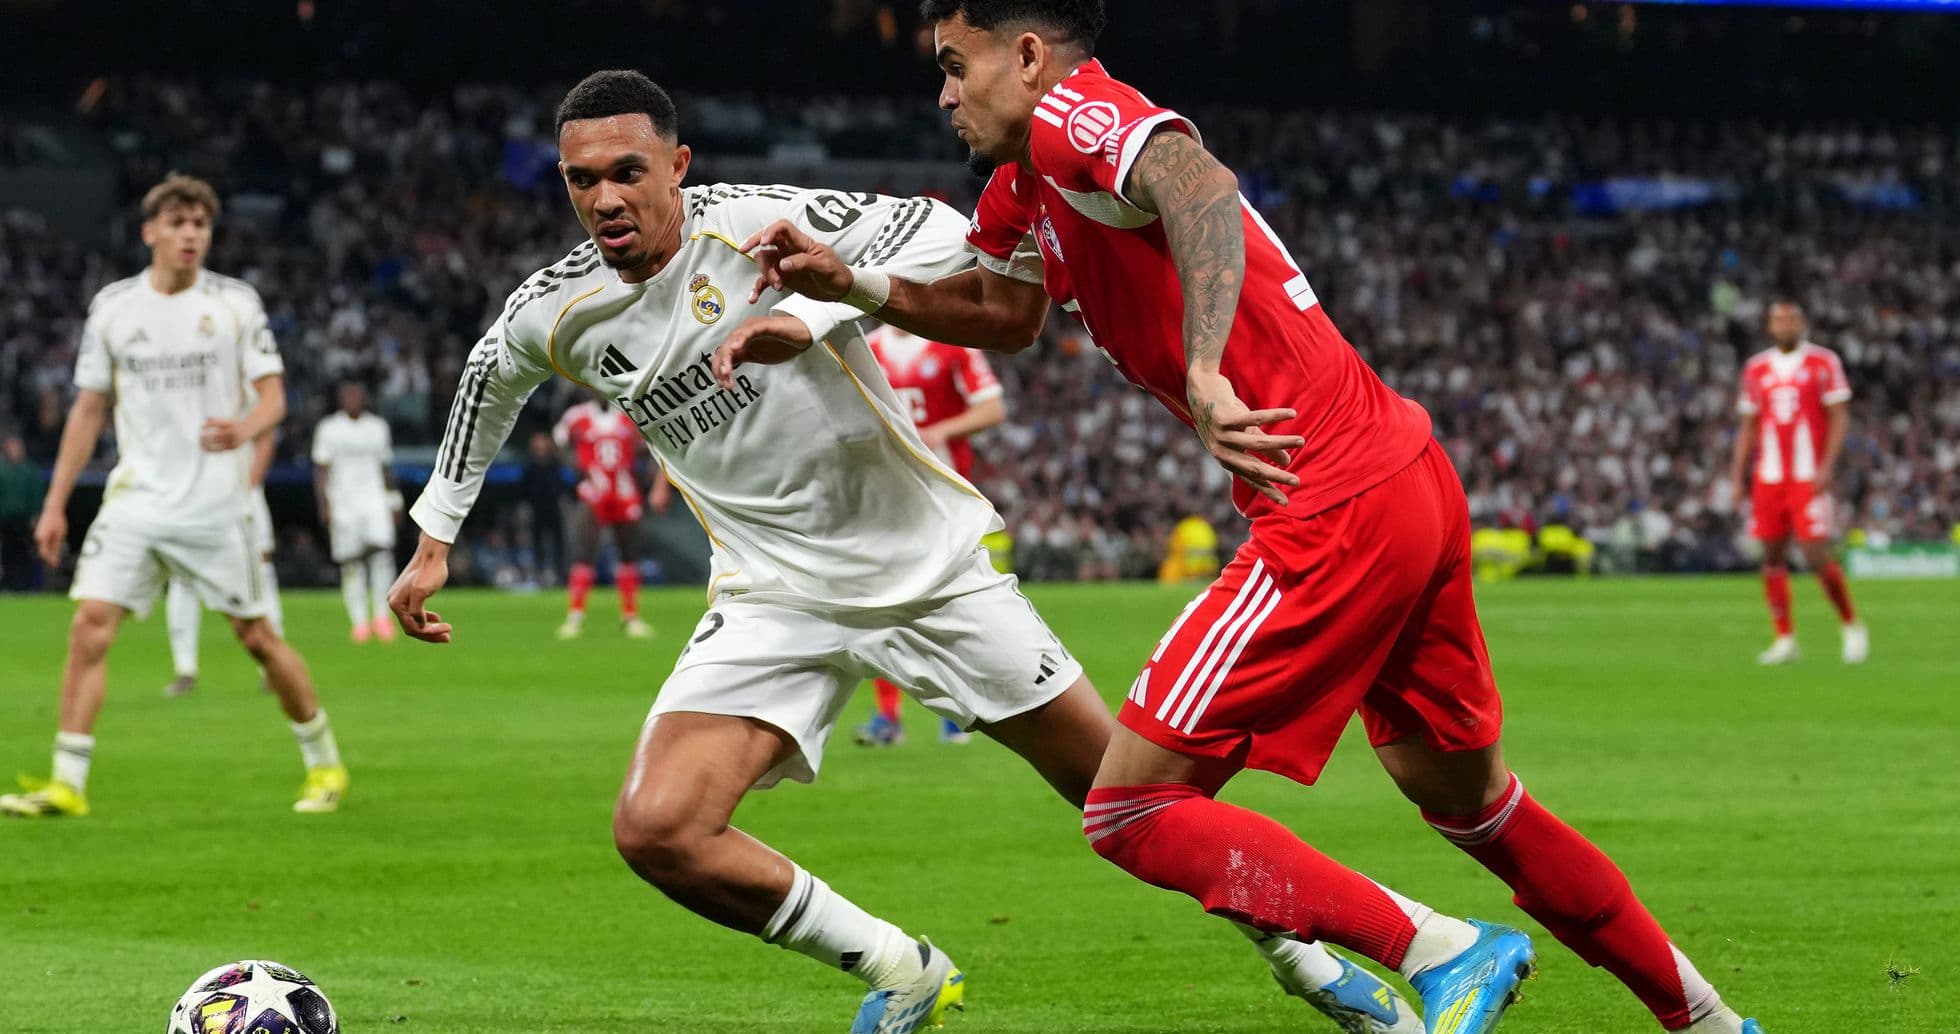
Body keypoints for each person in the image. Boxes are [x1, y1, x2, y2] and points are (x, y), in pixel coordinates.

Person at [716, 4, 1764, 1032]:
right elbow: (1003, 315)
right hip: (1400, 471)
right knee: (1473, 801)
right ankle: (1712, 1021)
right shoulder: (1018, 188)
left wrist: (1208, 366)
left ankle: (1443, 947)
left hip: (1328, 495)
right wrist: (847, 285)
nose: (942, 92)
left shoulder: (1078, 112)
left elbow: (1195, 181)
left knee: (1129, 807)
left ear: (1027, 55)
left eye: (955, 63)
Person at [390, 70, 1427, 1034]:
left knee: (1131, 800)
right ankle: (902, 967)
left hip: (929, 575)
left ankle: (1302, 955)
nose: (606, 197)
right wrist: (433, 538)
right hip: (771, 594)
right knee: (659, 828)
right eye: (582, 179)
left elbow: (943, 232)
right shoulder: (555, 310)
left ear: (677, 164)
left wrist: (808, 307)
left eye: (627, 171)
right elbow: (488, 380)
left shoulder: (757, 223)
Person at [0, 173, 347, 818]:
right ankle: (66, 782)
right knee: (89, 627)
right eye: (179, 223)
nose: (191, 235)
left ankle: (323, 762)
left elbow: (274, 397)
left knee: (257, 638)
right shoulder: (113, 308)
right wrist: (54, 503)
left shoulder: (236, 305)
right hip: (136, 500)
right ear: (150, 232)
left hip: (216, 504)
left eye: (201, 225)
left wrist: (243, 428)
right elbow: (87, 410)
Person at [857, 325, 1008, 747]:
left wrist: (943, 431)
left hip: (944, 495)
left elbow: (992, 408)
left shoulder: (952, 344)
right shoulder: (865, 347)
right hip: (886, 493)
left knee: (951, 603)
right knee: (879, 603)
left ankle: (957, 714)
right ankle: (888, 719)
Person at [1728, 300, 1866, 666]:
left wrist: (1826, 466)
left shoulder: (1823, 362)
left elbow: (1839, 417)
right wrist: (1737, 475)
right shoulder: (1756, 368)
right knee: (1771, 556)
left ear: (1802, 323)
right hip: (1769, 476)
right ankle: (1785, 638)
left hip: (1806, 475)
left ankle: (1851, 625)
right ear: (1770, 326)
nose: (1784, 324)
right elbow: (1749, 425)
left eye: (1790, 319)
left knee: (1814, 554)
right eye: (1777, 319)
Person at [162, 424, 286, 696]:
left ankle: (273, 668)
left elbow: (266, 431)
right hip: (189, 499)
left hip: (240, 495)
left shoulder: (242, 387)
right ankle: (185, 669)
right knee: (181, 579)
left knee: (260, 573)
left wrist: (250, 485)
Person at [552, 390, 659, 639]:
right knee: (585, 551)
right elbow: (558, 441)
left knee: (628, 552)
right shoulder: (577, 416)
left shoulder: (629, 415)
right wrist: (576, 464)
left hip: (623, 489)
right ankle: (575, 617)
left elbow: (651, 444)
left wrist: (645, 476)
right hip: (595, 489)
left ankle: (630, 616)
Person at [312, 379, 401, 643]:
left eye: (357, 395)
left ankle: (382, 617)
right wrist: (324, 504)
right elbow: (321, 470)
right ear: (341, 400)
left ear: (364, 398)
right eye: (348, 395)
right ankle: (359, 622)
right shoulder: (328, 428)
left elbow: (386, 467)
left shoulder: (377, 427)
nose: (352, 400)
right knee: (351, 563)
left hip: (374, 499)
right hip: (343, 503)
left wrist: (394, 502)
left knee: (381, 556)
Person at [519, 430, 571, 585]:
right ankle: (539, 575)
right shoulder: (530, 466)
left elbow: (564, 487)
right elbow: (524, 491)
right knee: (537, 544)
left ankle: (561, 576)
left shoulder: (556, 464)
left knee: (558, 544)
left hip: (554, 510)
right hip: (536, 511)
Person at [0, 432, 44, 590]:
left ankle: (25, 585)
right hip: (5, 521)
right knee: (7, 554)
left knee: (24, 554)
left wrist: (36, 516)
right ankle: (8, 584)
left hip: (23, 521)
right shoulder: (2, 471)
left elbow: (36, 496)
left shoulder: (29, 471)